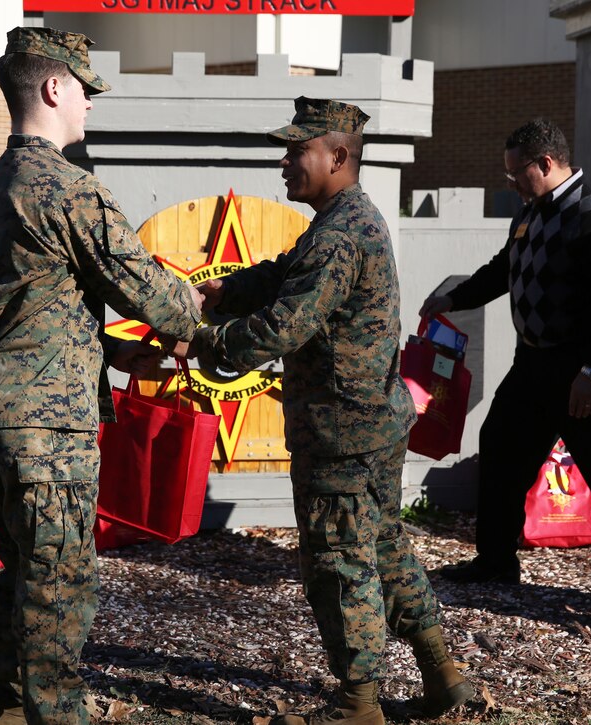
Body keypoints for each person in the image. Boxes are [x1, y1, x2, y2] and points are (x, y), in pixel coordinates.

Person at [179, 96, 474, 724]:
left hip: (341, 432)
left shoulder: (340, 234)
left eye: (297, 150)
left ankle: (358, 706)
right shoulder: (346, 221)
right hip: (373, 422)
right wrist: (227, 289)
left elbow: (281, 328)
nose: (285, 162)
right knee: (387, 546)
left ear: (338, 156)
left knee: (339, 563)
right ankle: (442, 671)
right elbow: (288, 274)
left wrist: (201, 339)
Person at [0, 27, 203, 725]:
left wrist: (116, 355)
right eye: (85, 89)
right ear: (55, 87)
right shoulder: (68, 188)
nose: (90, 103)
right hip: (46, 423)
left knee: (23, 572)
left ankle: (6, 709)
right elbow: (157, 296)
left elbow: (31, 303)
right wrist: (210, 312)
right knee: (60, 582)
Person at [418, 118, 591, 625]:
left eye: (516, 172)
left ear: (545, 163)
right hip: (534, 364)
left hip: (585, 369)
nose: (511, 183)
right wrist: (453, 298)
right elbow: (506, 268)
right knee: (501, 445)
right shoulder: (529, 213)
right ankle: (496, 561)